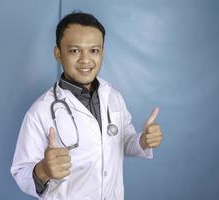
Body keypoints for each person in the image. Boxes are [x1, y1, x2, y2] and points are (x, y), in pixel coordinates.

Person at [11, 12, 163, 200]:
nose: (85, 59)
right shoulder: (40, 111)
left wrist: (143, 141)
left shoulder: (113, 97)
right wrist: (43, 169)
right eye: (75, 51)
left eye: (94, 50)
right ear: (58, 53)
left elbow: (123, 141)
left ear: (102, 52)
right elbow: (20, 172)